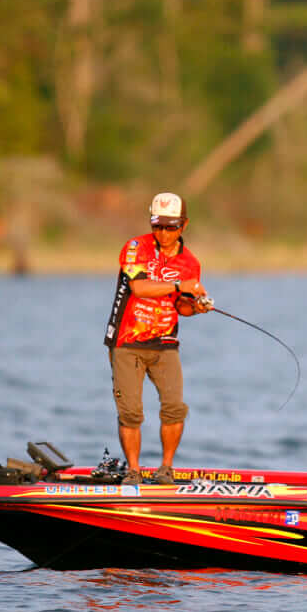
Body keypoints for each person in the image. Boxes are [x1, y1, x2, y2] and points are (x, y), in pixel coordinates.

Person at [103, 192, 211, 485]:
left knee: (175, 408)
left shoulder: (190, 262)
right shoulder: (135, 247)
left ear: (183, 225)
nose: (163, 233)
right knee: (131, 413)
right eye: (157, 225)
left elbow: (182, 306)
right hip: (126, 341)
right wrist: (179, 284)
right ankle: (133, 471)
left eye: (170, 227)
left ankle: (166, 469)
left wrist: (196, 307)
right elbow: (139, 288)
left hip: (165, 343)